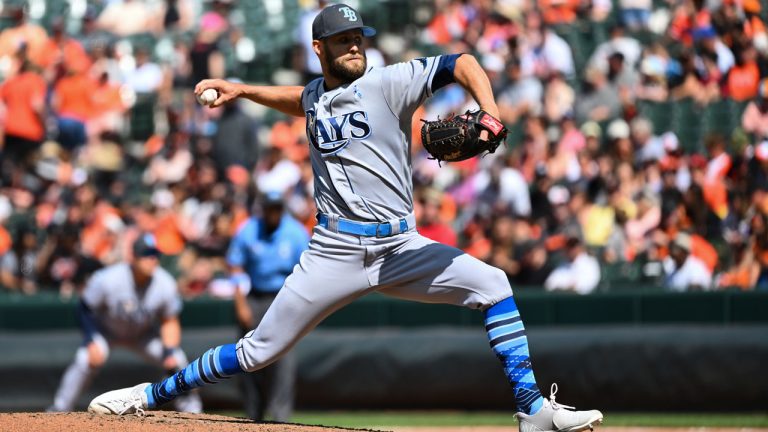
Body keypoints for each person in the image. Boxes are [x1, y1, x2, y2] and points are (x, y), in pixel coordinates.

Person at [88, 5, 603, 431]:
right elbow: (302, 101)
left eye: (358, 37)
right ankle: (150, 393)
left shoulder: (389, 83)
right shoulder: (315, 95)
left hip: (402, 248)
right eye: (343, 40)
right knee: (257, 352)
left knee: (493, 283)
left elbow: (462, 62)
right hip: (334, 252)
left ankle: (533, 409)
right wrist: (243, 89)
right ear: (320, 49)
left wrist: (488, 109)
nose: (354, 45)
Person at [49, 234, 202, 413]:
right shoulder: (109, 278)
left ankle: (193, 412)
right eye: (146, 254)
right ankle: (58, 409)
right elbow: (85, 308)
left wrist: (168, 352)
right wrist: (90, 340)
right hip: (107, 331)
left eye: (155, 254)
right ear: (133, 257)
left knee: (178, 360)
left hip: (143, 334)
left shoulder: (164, 283)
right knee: (84, 360)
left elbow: (170, 321)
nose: (152, 259)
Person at [228, 191, 309, 421]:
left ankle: (280, 420)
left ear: (281, 209)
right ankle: (253, 417)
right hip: (254, 296)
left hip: (283, 296)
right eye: (269, 208)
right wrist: (240, 303)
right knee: (248, 358)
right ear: (262, 209)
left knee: (283, 362)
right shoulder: (248, 230)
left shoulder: (294, 232)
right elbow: (235, 266)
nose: (273, 212)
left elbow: (306, 269)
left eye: (277, 208)